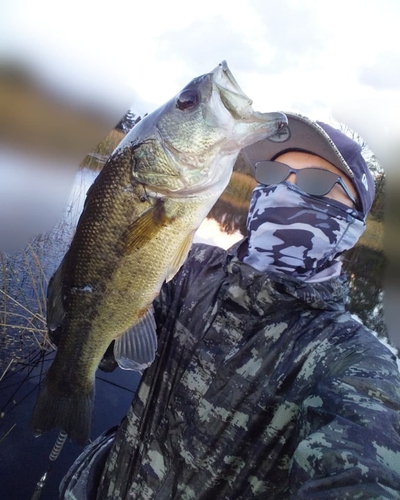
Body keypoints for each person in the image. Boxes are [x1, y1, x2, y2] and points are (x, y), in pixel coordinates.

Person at [61, 113, 400, 499]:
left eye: (316, 184)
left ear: (353, 224)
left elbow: (365, 476)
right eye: (273, 176)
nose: (284, 193)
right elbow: (107, 342)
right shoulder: (188, 267)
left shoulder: (355, 364)